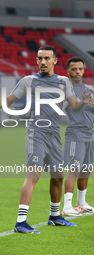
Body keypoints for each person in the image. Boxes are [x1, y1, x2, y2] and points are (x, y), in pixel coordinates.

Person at [0, 45, 92, 234]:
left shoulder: (64, 82)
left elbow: (73, 106)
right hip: (36, 133)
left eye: (47, 58)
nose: (42, 62)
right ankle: (21, 222)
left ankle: (55, 216)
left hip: (55, 134)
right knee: (33, 176)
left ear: (55, 61)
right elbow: (8, 102)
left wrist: (83, 101)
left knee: (58, 178)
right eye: (39, 58)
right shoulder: (28, 81)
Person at [62, 56, 94, 216]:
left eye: (80, 69)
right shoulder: (65, 89)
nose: (77, 72)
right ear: (68, 71)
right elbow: (73, 108)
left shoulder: (90, 89)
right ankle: (67, 206)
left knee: (87, 169)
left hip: (90, 134)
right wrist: (83, 101)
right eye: (74, 69)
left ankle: (81, 203)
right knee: (74, 169)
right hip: (76, 134)